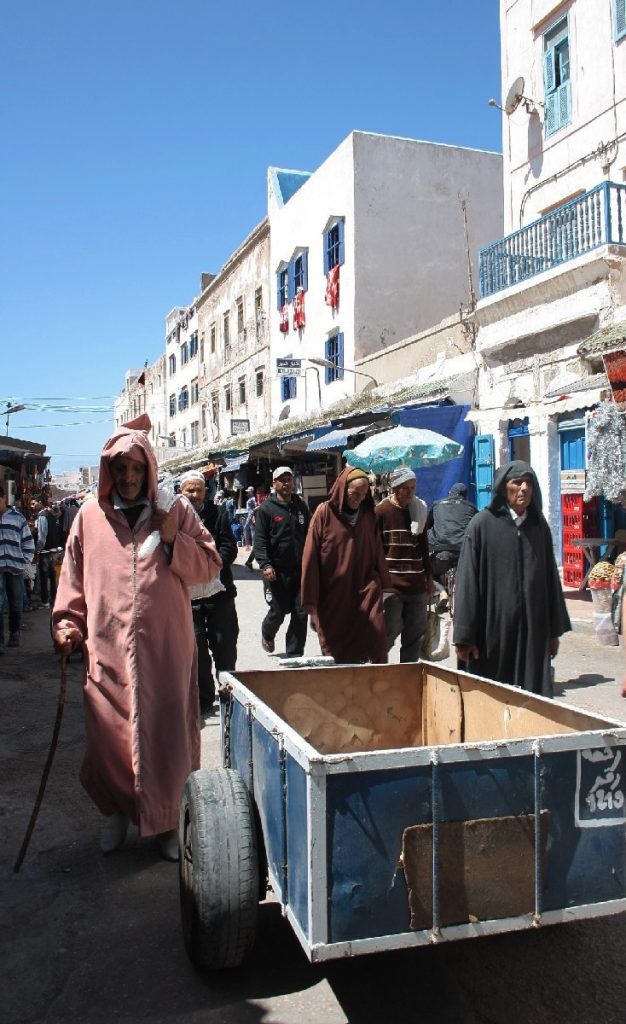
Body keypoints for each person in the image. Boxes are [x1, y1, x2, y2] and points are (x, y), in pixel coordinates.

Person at [51, 416, 222, 861]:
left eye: (136, 468)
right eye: (120, 468)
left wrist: (172, 541)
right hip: (106, 649)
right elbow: (71, 579)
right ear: (108, 469)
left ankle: (167, 822)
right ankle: (115, 813)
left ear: (148, 469)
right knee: (108, 737)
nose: (128, 477)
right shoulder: (89, 516)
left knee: (168, 738)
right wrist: (67, 624)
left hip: (166, 649)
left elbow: (210, 564)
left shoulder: (176, 510)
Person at [453, 459, 571, 696]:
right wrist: (464, 636)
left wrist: (553, 631)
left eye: (528, 482)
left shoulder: (539, 527)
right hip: (493, 632)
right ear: (503, 488)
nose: (524, 488)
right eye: (517, 483)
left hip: (532, 632)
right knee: (492, 697)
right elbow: (466, 582)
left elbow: (551, 581)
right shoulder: (482, 525)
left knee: (531, 699)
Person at [301, 466, 392, 664]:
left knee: (376, 643)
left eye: (363, 493)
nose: (358, 498)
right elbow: (311, 556)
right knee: (337, 654)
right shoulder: (324, 512)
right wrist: (311, 599)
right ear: (343, 489)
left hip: (366, 590)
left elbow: (377, 549)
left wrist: (385, 584)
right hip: (334, 594)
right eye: (354, 493)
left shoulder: (368, 516)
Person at [179, 469, 239, 714]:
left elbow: (229, 546)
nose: (194, 495)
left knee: (225, 646)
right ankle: (204, 699)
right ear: (180, 493)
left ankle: (228, 693)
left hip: (219, 594)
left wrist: (212, 566)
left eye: (199, 490)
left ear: (206, 491)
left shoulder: (218, 513)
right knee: (196, 652)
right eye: (189, 490)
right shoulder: (174, 519)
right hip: (188, 599)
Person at [375, 465, 433, 662]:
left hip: (417, 586)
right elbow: (376, 550)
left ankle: (407, 679)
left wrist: (429, 579)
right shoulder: (381, 512)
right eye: (405, 488)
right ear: (394, 488)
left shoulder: (419, 510)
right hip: (392, 587)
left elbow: (424, 548)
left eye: (413, 488)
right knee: (388, 633)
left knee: (414, 638)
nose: (410, 493)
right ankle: (377, 671)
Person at [253, 465, 310, 656]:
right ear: (274, 484)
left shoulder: (300, 505)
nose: (287, 483)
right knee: (278, 610)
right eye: (282, 480)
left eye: (289, 479)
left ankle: (294, 654)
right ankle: (267, 633)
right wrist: (265, 564)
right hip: (277, 570)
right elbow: (259, 540)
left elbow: (310, 533)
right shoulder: (266, 510)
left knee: (301, 612)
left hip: (300, 569)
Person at [0, 484, 35, 649]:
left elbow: (28, 542)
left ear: (3, 498)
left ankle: (14, 633)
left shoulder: (17, 518)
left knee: (15, 603)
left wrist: (24, 561)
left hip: (15, 567)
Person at [426, 482, 477, 580]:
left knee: (430, 574)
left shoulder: (437, 505)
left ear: (450, 493)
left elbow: (428, 525)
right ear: (465, 496)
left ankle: (441, 592)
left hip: (440, 554)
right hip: (464, 554)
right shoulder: (472, 508)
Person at [36, 501, 65, 608]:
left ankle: (45, 601)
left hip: (45, 551)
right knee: (52, 576)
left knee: (44, 576)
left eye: (34, 504)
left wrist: (37, 549)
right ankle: (54, 599)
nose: (32, 506)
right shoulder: (52, 516)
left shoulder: (43, 516)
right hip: (53, 549)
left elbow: (42, 537)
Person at [243, 486, 257, 568]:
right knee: (252, 530)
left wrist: (253, 515)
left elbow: (255, 507)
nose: (247, 493)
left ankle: (247, 544)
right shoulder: (251, 499)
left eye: (249, 491)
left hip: (250, 515)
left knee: (246, 528)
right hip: (250, 515)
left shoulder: (253, 499)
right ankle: (251, 545)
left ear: (251, 491)